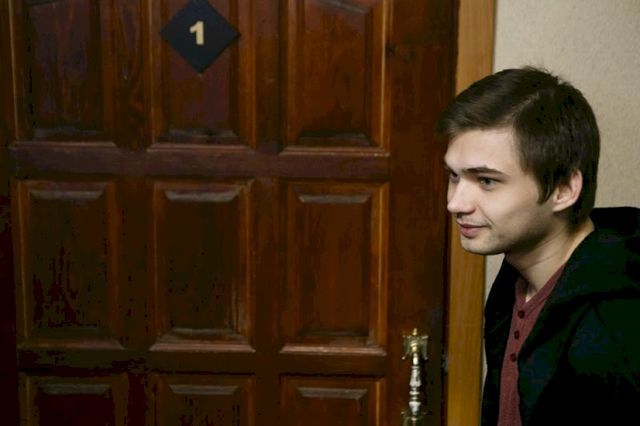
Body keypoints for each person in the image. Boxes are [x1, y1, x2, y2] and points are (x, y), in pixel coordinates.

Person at [437, 67, 640, 425]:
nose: (455, 203)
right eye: (455, 176)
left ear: (563, 189)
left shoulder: (614, 326)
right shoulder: (517, 278)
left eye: (486, 181)